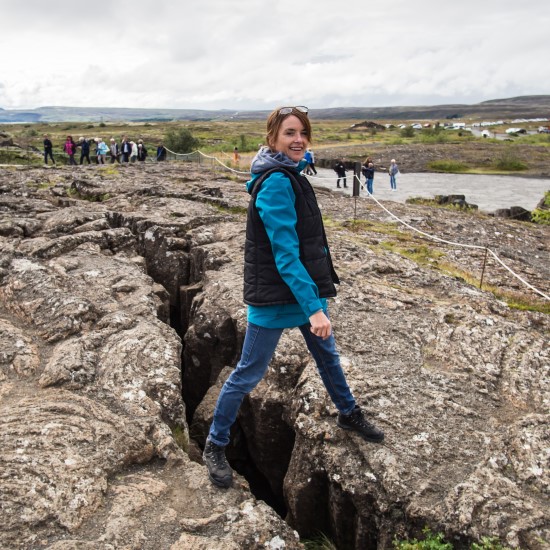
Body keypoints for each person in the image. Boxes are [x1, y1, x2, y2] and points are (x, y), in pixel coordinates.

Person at [202, 106, 384, 489]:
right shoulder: (277, 183)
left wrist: (313, 300)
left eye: (303, 132)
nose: (298, 139)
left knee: (327, 357)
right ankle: (215, 444)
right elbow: (286, 255)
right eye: (289, 133)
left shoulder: (291, 172)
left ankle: (348, 412)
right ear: (273, 139)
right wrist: (315, 309)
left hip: (302, 291)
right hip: (276, 297)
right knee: (247, 373)